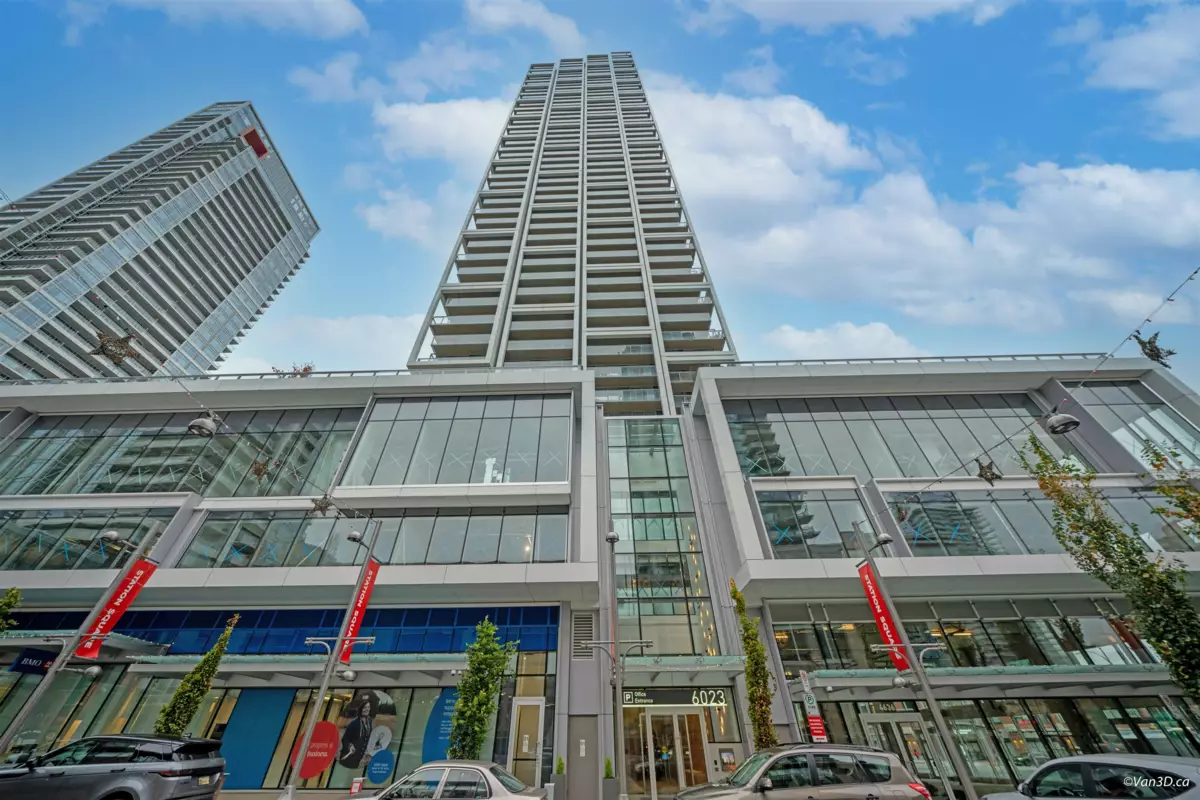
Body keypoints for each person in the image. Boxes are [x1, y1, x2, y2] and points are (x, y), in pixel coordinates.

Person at [339, 698, 375, 768]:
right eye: (364, 707)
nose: (366, 709)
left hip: (359, 755)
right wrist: (350, 746)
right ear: (361, 709)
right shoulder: (354, 723)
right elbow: (345, 738)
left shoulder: (369, 721)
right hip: (349, 755)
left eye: (368, 707)